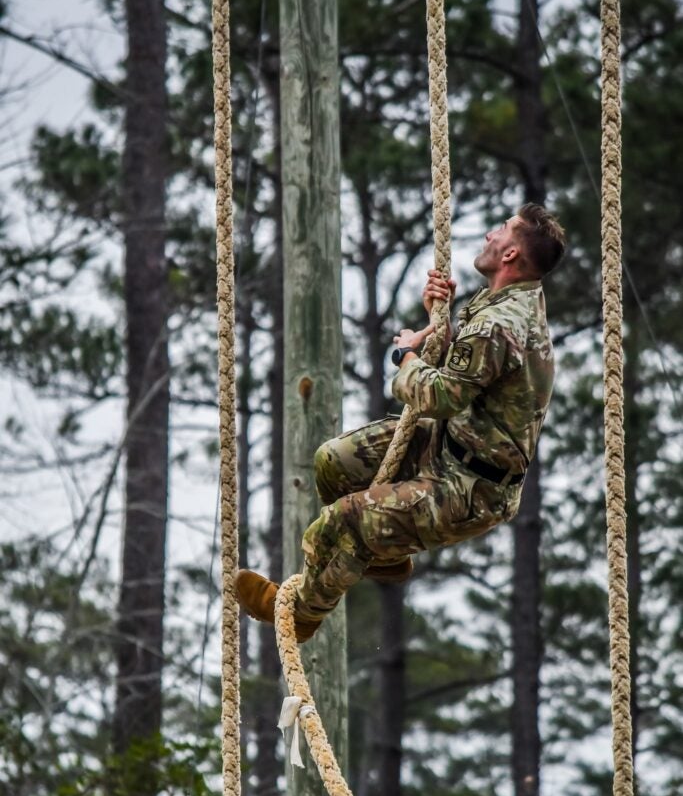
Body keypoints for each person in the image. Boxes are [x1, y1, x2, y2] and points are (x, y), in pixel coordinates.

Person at [236, 202, 566, 642]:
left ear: (510, 255)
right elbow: (479, 373)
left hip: (473, 488)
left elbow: (440, 396)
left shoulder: (500, 322)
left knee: (347, 521)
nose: (490, 236)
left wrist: (406, 355)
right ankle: (386, 557)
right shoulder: (505, 301)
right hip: (448, 446)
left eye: (501, 231)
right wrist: (439, 320)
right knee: (334, 461)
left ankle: (301, 614)